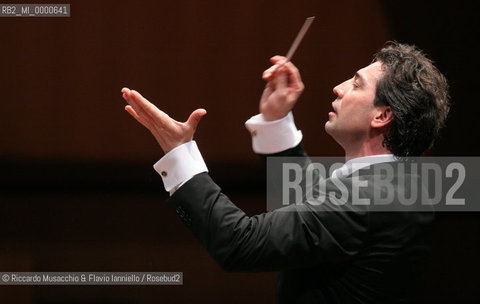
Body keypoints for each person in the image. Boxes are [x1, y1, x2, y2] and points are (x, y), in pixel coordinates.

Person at [121, 42, 450, 303]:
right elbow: (319, 217)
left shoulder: (363, 198)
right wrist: (276, 120)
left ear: (381, 116)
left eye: (356, 84)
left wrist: (179, 154)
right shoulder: (397, 185)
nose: (338, 88)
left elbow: (240, 243)